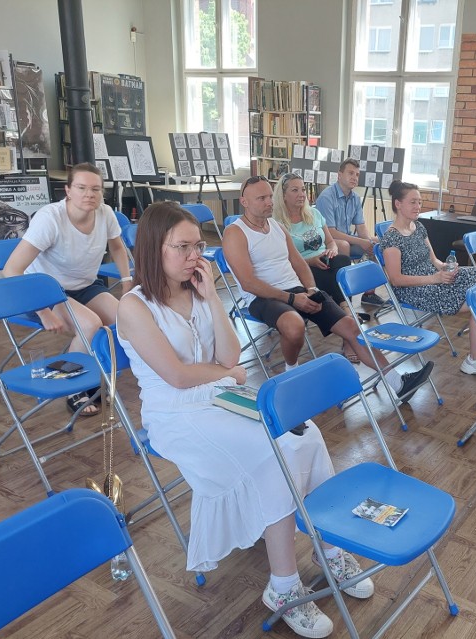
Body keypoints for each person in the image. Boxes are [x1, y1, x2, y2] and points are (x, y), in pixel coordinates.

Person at [117, 201, 373, 639]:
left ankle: (331, 548)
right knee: (273, 454)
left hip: (218, 394)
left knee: (304, 432)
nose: (196, 255)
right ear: (154, 250)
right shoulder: (134, 306)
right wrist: (227, 373)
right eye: (183, 247)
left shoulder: (196, 289)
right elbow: (177, 376)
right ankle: (284, 587)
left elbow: (231, 356)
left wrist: (213, 297)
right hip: (175, 412)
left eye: (199, 245)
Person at [223, 176, 433, 398]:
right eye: (261, 198)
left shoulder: (276, 227)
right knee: (294, 325)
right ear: (244, 201)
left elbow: (300, 264)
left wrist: (312, 290)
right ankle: (290, 375)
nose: (269, 202)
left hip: (297, 290)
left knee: (352, 328)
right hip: (262, 297)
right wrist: (293, 300)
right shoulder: (236, 233)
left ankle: (398, 383)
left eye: (268, 197)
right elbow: (249, 283)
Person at [3, 162, 131, 416]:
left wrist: (127, 282)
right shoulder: (50, 218)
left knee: (125, 320)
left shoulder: (105, 213)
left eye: (95, 189)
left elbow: (117, 247)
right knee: (89, 325)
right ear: (68, 190)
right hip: (46, 291)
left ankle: (90, 376)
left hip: (85, 285)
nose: (89, 194)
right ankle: (75, 388)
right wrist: (42, 311)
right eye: (81, 188)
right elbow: (11, 270)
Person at [380, 180, 476, 381]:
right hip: (415, 289)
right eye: (413, 202)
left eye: (420, 202)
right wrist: (435, 278)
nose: (418, 207)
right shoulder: (391, 238)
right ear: (398, 204)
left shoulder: (419, 227)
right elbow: (396, 280)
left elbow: (434, 260)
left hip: (435, 279)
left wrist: (446, 268)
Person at [272, 172, 369, 363]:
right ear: (283, 195)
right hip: (301, 272)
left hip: (326, 262)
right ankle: (349, 320)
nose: (301, 194)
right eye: (295, 190)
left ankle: (346, 316)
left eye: (303, 189)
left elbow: (331, 241)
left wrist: (331, 250)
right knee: (334, 274)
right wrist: (310, 261)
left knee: (340, 261)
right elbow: (282, 259)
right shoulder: (277, 224)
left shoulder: (314, 214)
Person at [314, 158, 385, 306]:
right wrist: (361, 242)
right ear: (339, 175)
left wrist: (369, 242)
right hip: (325, 241)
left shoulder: (355, 198)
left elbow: (361, 226)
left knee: (377, 244)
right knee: (344, 245)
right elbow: (331, 233)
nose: (354, 177)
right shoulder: (327, 197)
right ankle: (343, 296)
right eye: (350, 173)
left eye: (357, 174)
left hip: (346, 238)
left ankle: (369, 294)